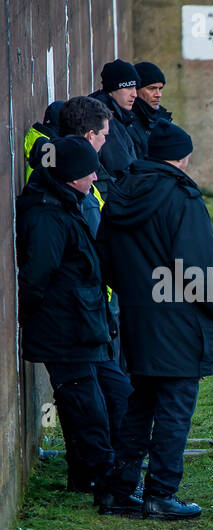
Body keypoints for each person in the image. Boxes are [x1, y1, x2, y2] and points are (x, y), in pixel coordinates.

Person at [97, 123, 213, 519]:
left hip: (138, 321)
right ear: (182, 157)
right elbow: (196, 268)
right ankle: (160, 493)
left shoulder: (120, 192)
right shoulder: (183, 197)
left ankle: (118, 490)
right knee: (173, 408)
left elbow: (104, 259)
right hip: (178, 325)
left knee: (141, 405)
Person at [16, 136, 119, 506]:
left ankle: (86, 478)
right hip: (65, 328)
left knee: (82, 401)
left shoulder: (64, 202)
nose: (94, 176)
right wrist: (30, 318)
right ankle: (109, 487)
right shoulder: (48, 214)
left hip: (75, 323)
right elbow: (36, 276)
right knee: (86, 406)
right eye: (87, 170)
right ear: (70, 175)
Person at [88, 59, 141, 203]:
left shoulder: (117, 115)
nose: (134, 94)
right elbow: (120, 168)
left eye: (135, 88)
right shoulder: (105, 119)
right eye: (128, 88)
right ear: (112, 90)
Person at [128, 61, 174, 153]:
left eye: (160, 89)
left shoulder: (163, 120)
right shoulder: (128, 122)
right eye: (152, 88)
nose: (158, 94)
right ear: (136, 90)